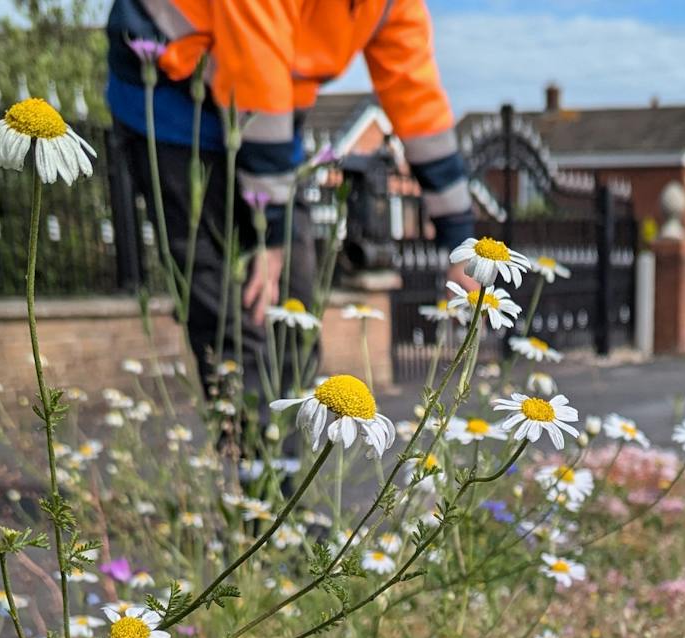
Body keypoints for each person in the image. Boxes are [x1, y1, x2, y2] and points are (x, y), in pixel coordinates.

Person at [104, 0, 475, 403]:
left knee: (295, 307)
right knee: (226, 306)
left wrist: (461, 243)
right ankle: (246, 448)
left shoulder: (393, 6)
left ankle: (290, 447)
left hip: (269, 119)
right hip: (170, 100)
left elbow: (416, 98)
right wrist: (271, 234)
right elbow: (256, 66)